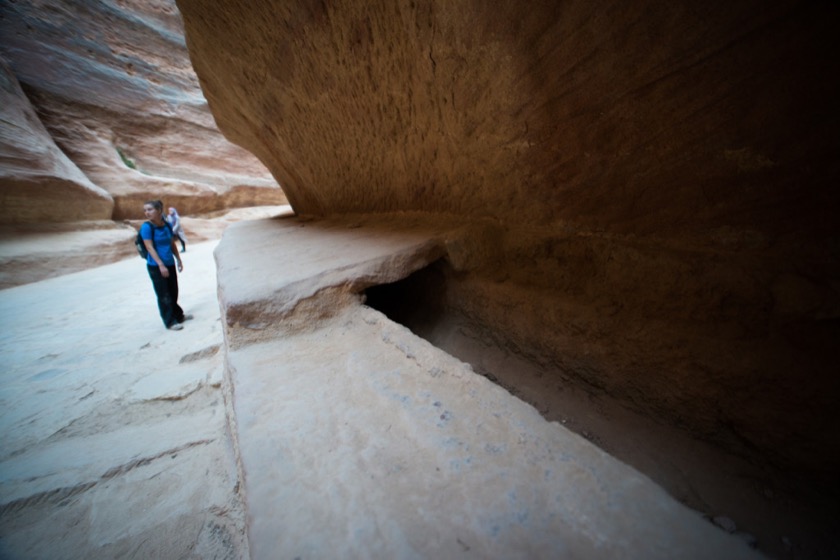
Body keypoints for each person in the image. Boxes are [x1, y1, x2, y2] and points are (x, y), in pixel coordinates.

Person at [141, 200, 190, 331]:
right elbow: (149, 247)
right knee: (164, 294)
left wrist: (178, 259)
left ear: (159, 210)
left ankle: (178, 315)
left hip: (169, 262)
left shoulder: (167, 225)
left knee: (173, 290)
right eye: (145, 210)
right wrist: (161, 265)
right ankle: (169, 321)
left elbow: (171, 243)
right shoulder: (146, 227)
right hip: (156, 266)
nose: (147, 213)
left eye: (150, 209)